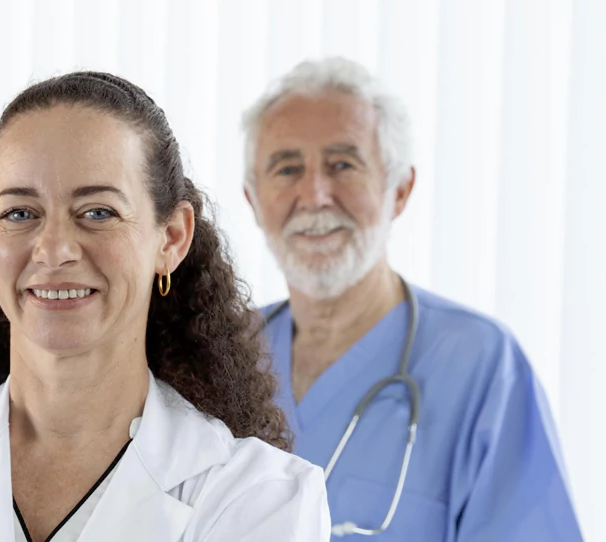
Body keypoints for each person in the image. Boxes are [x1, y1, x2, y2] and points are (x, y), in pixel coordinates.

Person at [0, 72, 329, 541]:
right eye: (20, 213)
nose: (53, 249)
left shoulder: (262, 497)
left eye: (97, 211)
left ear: (171, 237)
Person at [242, 57, 582, 541]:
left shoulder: (480, 366)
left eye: (343, 164)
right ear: (254, 201)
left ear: (399, 190)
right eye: (287, 168)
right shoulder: (222, 353)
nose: (315, 195)